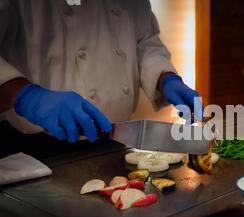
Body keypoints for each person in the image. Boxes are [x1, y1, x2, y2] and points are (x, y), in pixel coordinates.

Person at [0, 0, 202, 143]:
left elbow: (144, 42)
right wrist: (25, 96)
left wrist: (165, 78)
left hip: (117, 138)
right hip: (35, 149)